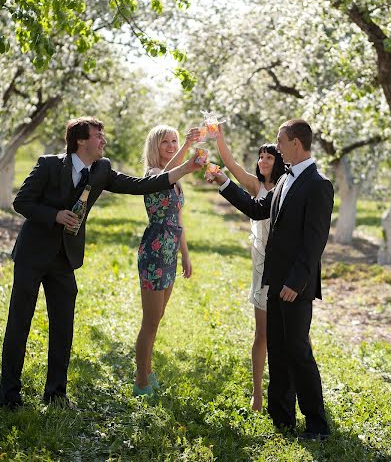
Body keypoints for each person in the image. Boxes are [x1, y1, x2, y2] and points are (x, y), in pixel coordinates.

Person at [0, 117, 200, 409]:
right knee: (20, 323)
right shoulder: (48, 165)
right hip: (33, 254)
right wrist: (54, 215)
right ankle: (9, 395)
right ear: (81, 140)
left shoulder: (102, 169)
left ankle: (55, 394)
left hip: (64, 258)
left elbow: (142, 185)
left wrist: (186, 167)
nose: (103, 140)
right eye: (98, 136)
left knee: (63, 325)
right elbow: (22, 202)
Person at [212, 119, 333, 440]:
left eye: (280, 141)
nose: (276, 148)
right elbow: (256, 209)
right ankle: (281, 419)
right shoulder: (283, 181)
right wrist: (224, 183)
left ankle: (317, 424)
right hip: (273, 279)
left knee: (298, 351)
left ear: (296, 142)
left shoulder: (319, 183)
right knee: (278, 350)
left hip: (295, 285)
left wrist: (296, 281)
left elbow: (315, 240)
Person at [215, 125, 284, 411]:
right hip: (260, 268)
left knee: (291, 334)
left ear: (278, 161)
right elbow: (230, 165)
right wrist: (218, 136)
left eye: (268, 157)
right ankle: (257, 395)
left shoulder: (283, 188)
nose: (263, 162)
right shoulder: (257, 187)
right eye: (261, 157)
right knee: (262, 334)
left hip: (282, 265)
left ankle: (292, 390)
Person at [134, 125, 197, 396]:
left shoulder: (174, 177)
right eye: (166, 143)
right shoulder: (154, 175)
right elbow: (171, 171)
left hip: (170, 252)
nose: (171, 146)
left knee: (158, 317)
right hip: (155, 251)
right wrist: (186, 145)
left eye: (174, 141)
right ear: (154, 147)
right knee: (150, 320)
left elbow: (179, 219)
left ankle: (147, 370)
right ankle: (140, 381)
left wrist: (185, 254)